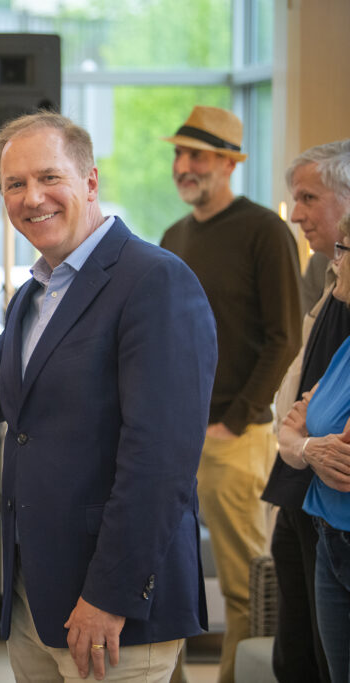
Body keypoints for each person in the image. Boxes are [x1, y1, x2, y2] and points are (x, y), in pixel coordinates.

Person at [0, 111, 216, 681]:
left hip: (109, 610)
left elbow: (161, 463)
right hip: (36, 600)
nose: (32, 198)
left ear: (90, 182)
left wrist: (110, 595)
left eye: (49, 177)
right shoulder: (36, 292)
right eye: (14, 184)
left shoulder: (154, 280)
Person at [159, 105, 301, 683]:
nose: (183, 166)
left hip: (234, 437)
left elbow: (285, 336)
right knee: (162, 572)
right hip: (174, 435)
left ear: (228, 163)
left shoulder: (265, 230)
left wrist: (236, 420)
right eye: (178, 154)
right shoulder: (174, 235)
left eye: (197, 155)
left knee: (244, 586)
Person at [264, 139, 350, 683]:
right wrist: (297, 443)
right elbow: (302, 406)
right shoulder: (328, 277)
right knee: (296, 650)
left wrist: (304, 442)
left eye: (308, 198)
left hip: (330, 501)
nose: (296, 213)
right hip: (304, 491)